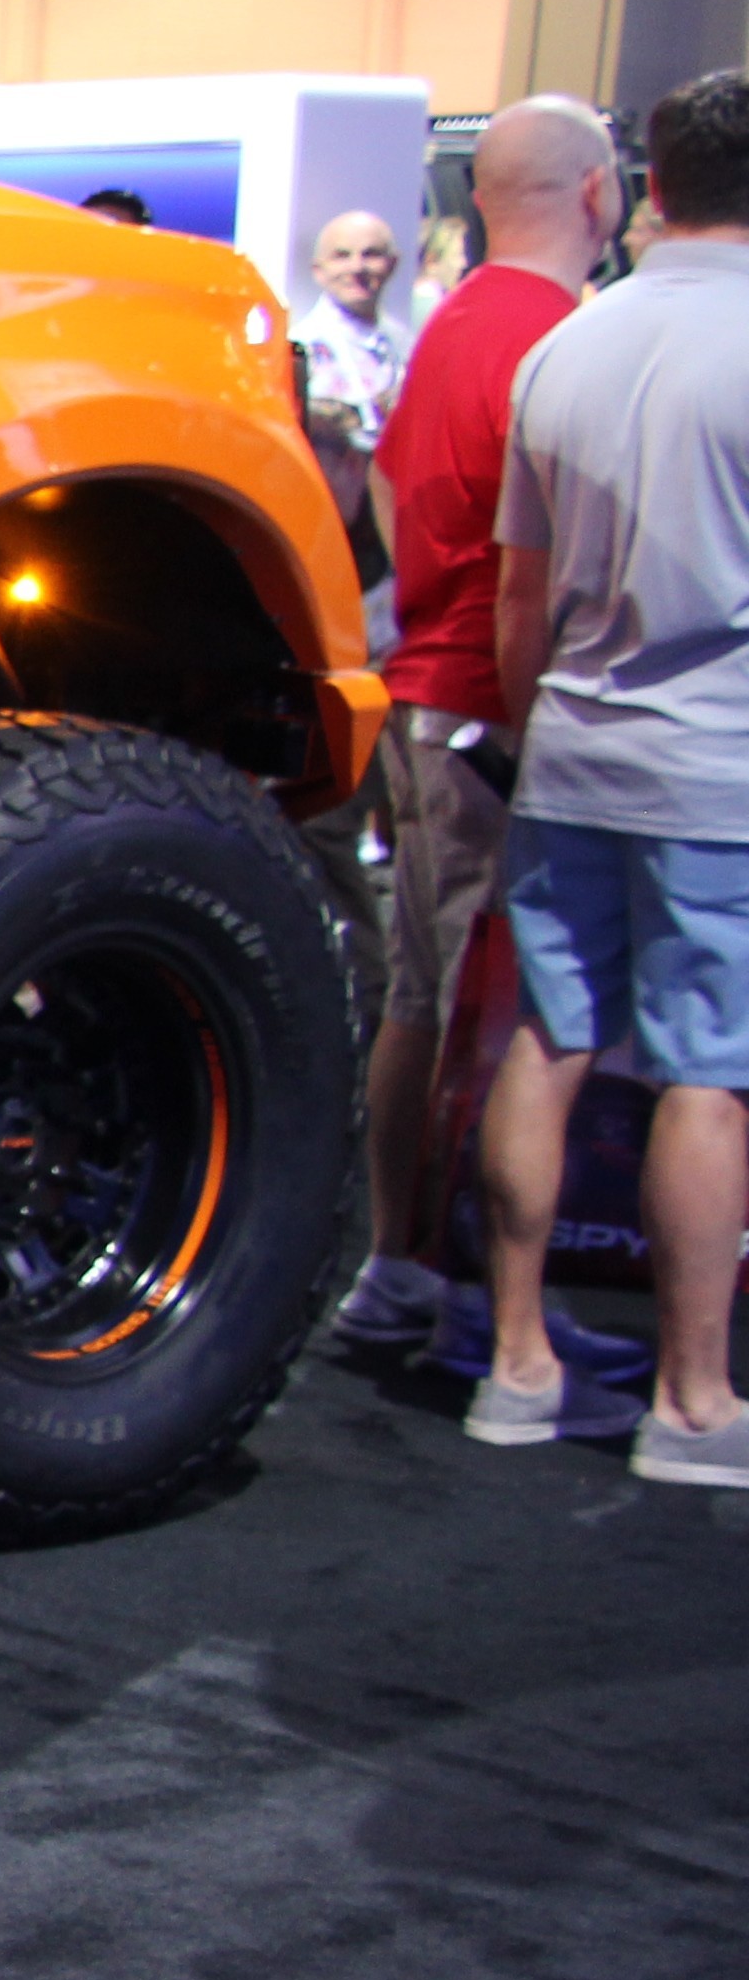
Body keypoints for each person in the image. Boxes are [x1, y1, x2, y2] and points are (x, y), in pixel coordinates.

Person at [465, 66, 749, 1483]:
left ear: (649, 182)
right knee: (710, 1073)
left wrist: (536, 737)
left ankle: (516, 1364)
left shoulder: (566, 347)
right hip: (721, 772)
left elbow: (518, 597)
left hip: (572, 750)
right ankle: (693, 1402)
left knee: (546, 1040)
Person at [340, 101, 623, 1357]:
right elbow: (541, 564)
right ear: (600, 194)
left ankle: (399, 1263)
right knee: (502, 1018)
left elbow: (391, 487)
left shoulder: (457, 324)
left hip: (433, 692)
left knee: (427, 991)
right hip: (497, 714)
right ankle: (470, 1299)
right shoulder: (556, 338)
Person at [294, 205, 411, 545]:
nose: (357, 267)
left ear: (392, 264)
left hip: (394, 513)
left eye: (371, 254)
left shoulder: (407, 344)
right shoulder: (300, 347)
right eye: (342, 256)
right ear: (319, 270)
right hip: (333, 517)